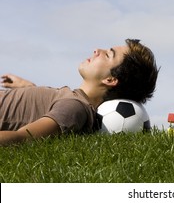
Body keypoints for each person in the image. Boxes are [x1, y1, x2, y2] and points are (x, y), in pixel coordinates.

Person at [0, 39, 159, 145]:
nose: (97, 50)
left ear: (110, 80)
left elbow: (23, 138)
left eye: (107, 54)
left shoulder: (75, 108)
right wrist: (28, 87)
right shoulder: (74, 99)